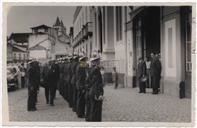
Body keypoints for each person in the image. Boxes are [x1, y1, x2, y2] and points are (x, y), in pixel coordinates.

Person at [87, 54, 104, 121]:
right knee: (96, 112)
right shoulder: (96, 70)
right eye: (98, 60)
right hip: (95, 92)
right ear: (96, 62)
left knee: (93, 110)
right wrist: (99, 94)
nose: (99, 62)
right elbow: (97, 83)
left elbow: (88, 81)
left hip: (91, 91)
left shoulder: (90, 69)